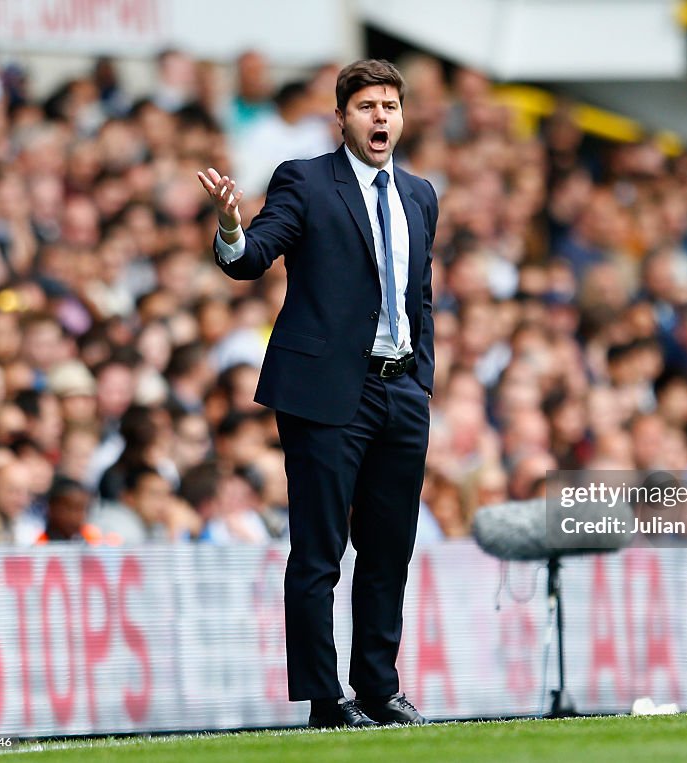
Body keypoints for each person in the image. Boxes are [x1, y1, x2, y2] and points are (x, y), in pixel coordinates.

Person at [197, 59, 436, 729]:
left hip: (401, 390)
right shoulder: (305, 179)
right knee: (320, 551)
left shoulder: (420, 194)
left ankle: (379, 687)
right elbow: (253, 258)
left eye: (390, 104)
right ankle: (326, 697)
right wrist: (229, 225)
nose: (380, 115)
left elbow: (419, 299)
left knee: (390, 548)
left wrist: (422, 382)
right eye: (367, 106)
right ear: (342, 118)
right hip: (329, 392)